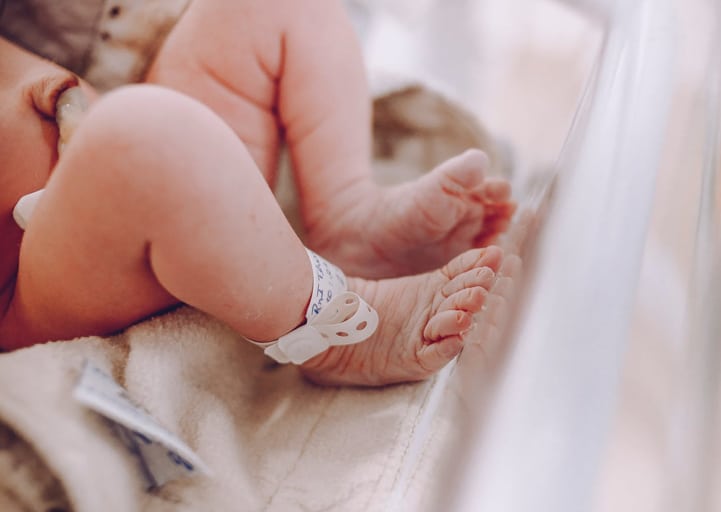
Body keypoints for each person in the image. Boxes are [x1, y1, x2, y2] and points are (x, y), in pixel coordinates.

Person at [0, 0, 514, 387]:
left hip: (151, 139)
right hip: (42, 278)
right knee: (140, 139)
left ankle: (345, 214)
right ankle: (333, 329)